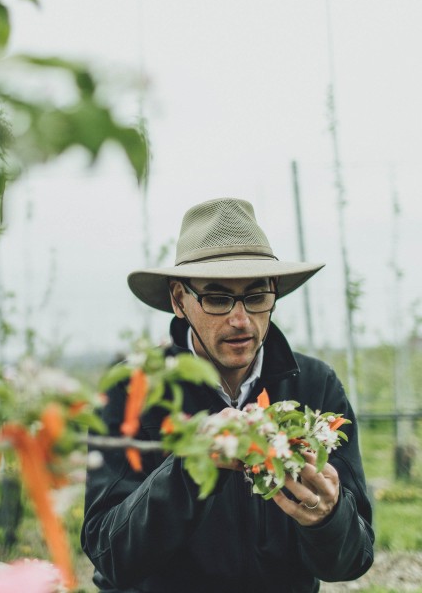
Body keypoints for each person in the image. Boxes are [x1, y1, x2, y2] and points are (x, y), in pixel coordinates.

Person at [81, 198, 374, 593]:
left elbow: (353, 559)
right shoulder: (133, 391)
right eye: (217, 299)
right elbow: (110, 556)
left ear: (274, 293)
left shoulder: (314, 387)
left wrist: (328, 518)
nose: (240, 320)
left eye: (256, 297)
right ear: (178, 299)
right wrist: (188, 467)